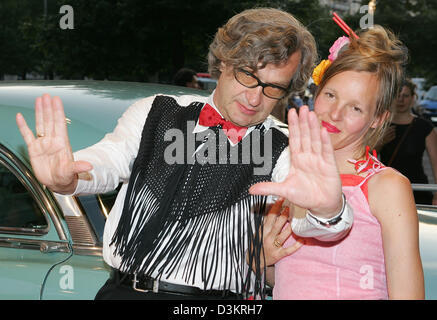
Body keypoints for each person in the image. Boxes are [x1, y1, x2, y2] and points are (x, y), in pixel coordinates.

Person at [15, 8, 354, 300]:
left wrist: (328, 210)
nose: (255, 99)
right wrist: (67, 176)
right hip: (125, 292)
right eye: (247, 76)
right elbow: (108, 160)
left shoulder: (283, 145)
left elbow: (317, 225)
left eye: (272, 88)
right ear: (222, 62)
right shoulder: (156, 111)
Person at [251, 26, 424, 299]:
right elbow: (290, 276)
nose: (335, 114)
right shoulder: (289, 171)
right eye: (330, 95)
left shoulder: (387, 186)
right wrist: (259, 261)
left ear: (378, 118)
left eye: (355, 107)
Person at [379, 79, 437, 205]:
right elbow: (365, 157)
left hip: (416, 190)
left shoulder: (424, 127)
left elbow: (436, 162)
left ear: (412, 98)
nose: (401, 100)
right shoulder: (381, 125)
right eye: (397, 96)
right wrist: (380, 142)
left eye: (405, 96)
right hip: (386, 189)